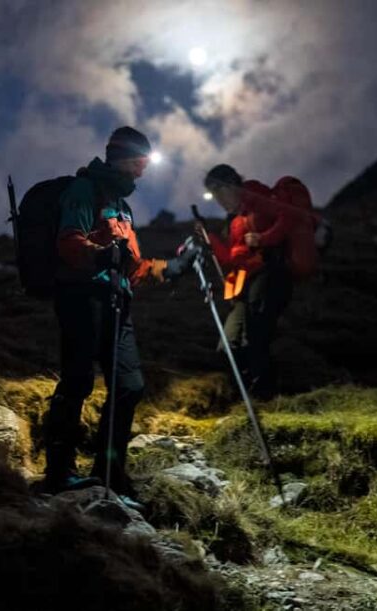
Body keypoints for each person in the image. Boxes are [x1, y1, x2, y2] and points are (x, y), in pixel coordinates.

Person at [44, 127, 198, 506]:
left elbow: (132, 268)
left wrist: (173, 267)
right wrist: (99, 254)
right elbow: (68, 242)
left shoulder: (122, 206)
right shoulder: (85, 191)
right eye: (139, 164)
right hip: (83, 299)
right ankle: (59, 473)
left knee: (129, 386)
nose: (142, 173)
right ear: (121, 159)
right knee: (78, 381)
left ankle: (109, 471)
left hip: (117, 302)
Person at [201, 164, 294, 400]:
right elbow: (233, 259)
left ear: (231, 184)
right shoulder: (233, 221)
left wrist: (264, 237)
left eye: (219, 191)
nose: (219, 200)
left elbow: (287, 217)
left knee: (256, 333)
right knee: (228, 346)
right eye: (214, 195)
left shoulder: (256, 194)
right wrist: (209, 237)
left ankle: (265, 397)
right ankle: (248, 396)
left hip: (268, 272)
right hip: (245, 285)